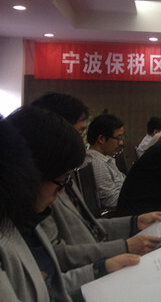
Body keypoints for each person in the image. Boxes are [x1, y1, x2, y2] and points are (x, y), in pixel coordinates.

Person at [30, 92, 161, 296]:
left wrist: (135, 222)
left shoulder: (64, 176)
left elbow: (89, 225)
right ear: (55, 132)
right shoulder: (42, 189)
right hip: (87, 278)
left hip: (100, 263)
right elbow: (57, 256)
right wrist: (121, 249)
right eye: (80, 132)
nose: (83, 141)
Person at [1, 107, 140, 301]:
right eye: (81, 132)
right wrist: (122, 246)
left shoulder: (28, 220)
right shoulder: (24, 219)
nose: (62, 190)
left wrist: (102, 268)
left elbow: (50, 285)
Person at [85, 114, 127, 209]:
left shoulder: (104, 158)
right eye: (118, 138)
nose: (121, 143)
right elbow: (111, 202)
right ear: (101, 139)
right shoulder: (97, 164)